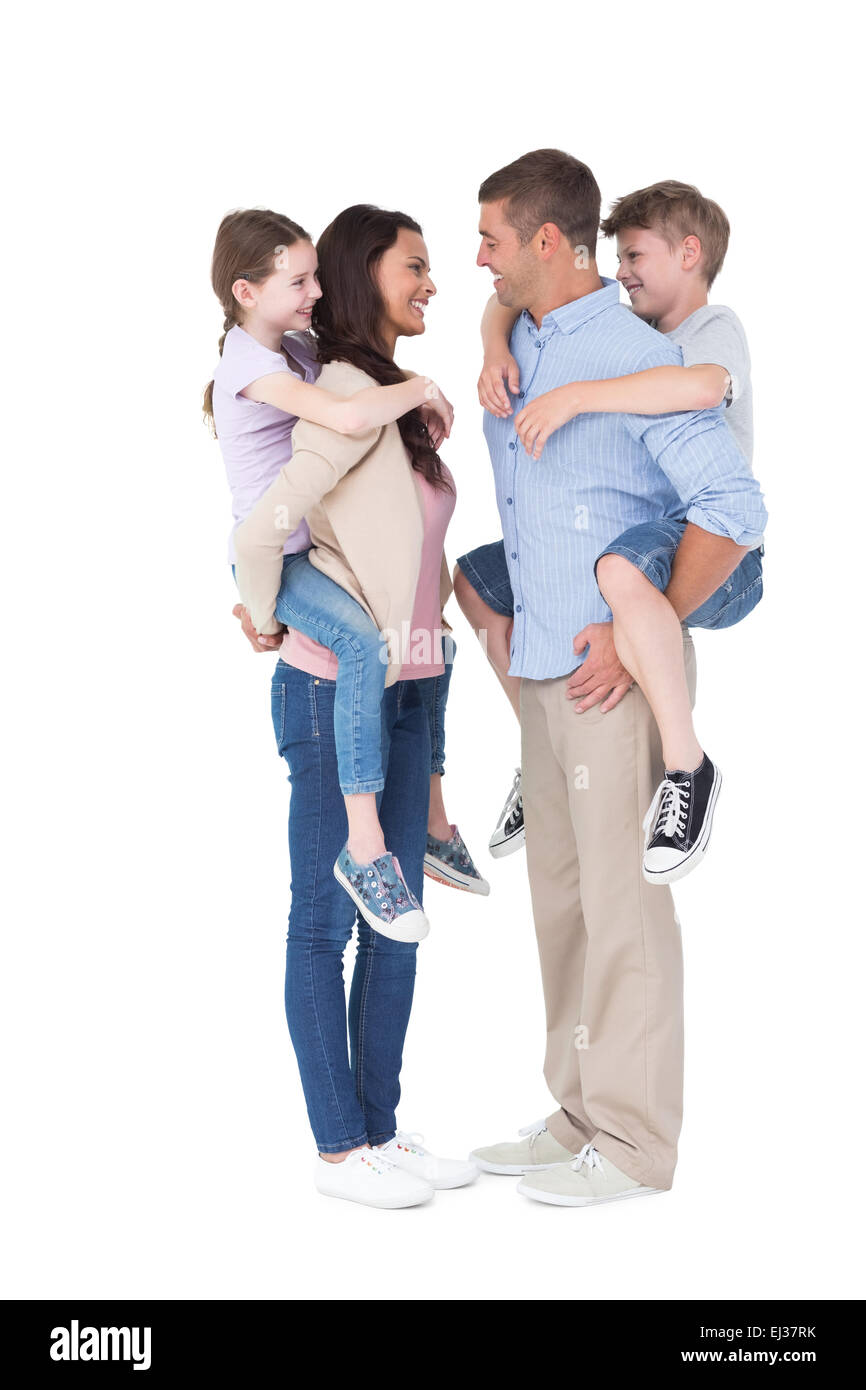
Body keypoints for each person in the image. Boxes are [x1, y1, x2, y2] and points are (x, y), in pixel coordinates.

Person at [465, 150, 767, 1206]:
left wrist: (642, 626)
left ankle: (635, 1146)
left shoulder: (637, 353)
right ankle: (577, 1112)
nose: (476, 258)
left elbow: (733, 511)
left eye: (491, 240)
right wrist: (493, 331)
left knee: (620, 906)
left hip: (610, 677)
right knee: (559, 904)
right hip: (541, 668)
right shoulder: (519, 341)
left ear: (548, 242)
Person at [232, 205, 479, 1207]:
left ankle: (379, 1129)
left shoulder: (383, 397)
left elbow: (405, 552)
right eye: (413, 266)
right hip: (336, 691)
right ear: (359, 271)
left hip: (410, 689)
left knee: (397, 920)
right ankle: (340, 1148)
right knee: (322, 924)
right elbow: (265, 524)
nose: (429, 283)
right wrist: (258, 609)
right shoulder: (338, 388)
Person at [468, 179, 765, 883]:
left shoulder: (710, 328)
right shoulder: (635, 333)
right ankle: (533, 751)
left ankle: (688, 768)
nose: (620, 272)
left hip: (719, 548)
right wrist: (492, 345)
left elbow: (694, 390)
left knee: (619, 572)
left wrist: (574, 397)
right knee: (477, 582)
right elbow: (506, 295)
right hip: (647, 540)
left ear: (690, 254)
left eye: (635, 257)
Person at [205, 210, 487, 942]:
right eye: (297, 282)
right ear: (245, 290)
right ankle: (365, 851)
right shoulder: (255, 366)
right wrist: (263, 611)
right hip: (274, 562)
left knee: (438, 643)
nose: (314, 293)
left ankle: (429, 822)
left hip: (300, 564)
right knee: (364, 640)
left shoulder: (295, 348)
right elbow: (347, 422)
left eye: (317, 278)